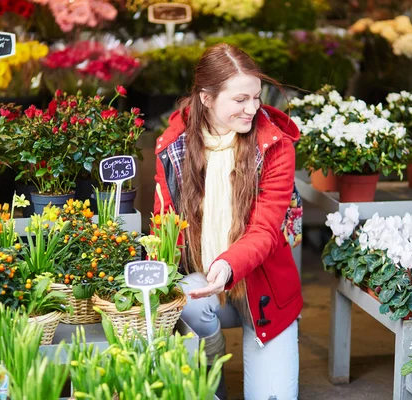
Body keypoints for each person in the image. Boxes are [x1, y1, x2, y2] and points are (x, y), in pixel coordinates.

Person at [153, 43, 303, 400]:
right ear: (206, 98)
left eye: (256, 97)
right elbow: (163, 225)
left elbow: (266, 229)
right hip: (199, 280)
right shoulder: (173, 146)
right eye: (240, 100)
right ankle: (211, 352)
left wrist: (227, 264)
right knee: (188, 299)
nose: (252, 108)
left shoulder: (275, 145)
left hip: (263, 286)